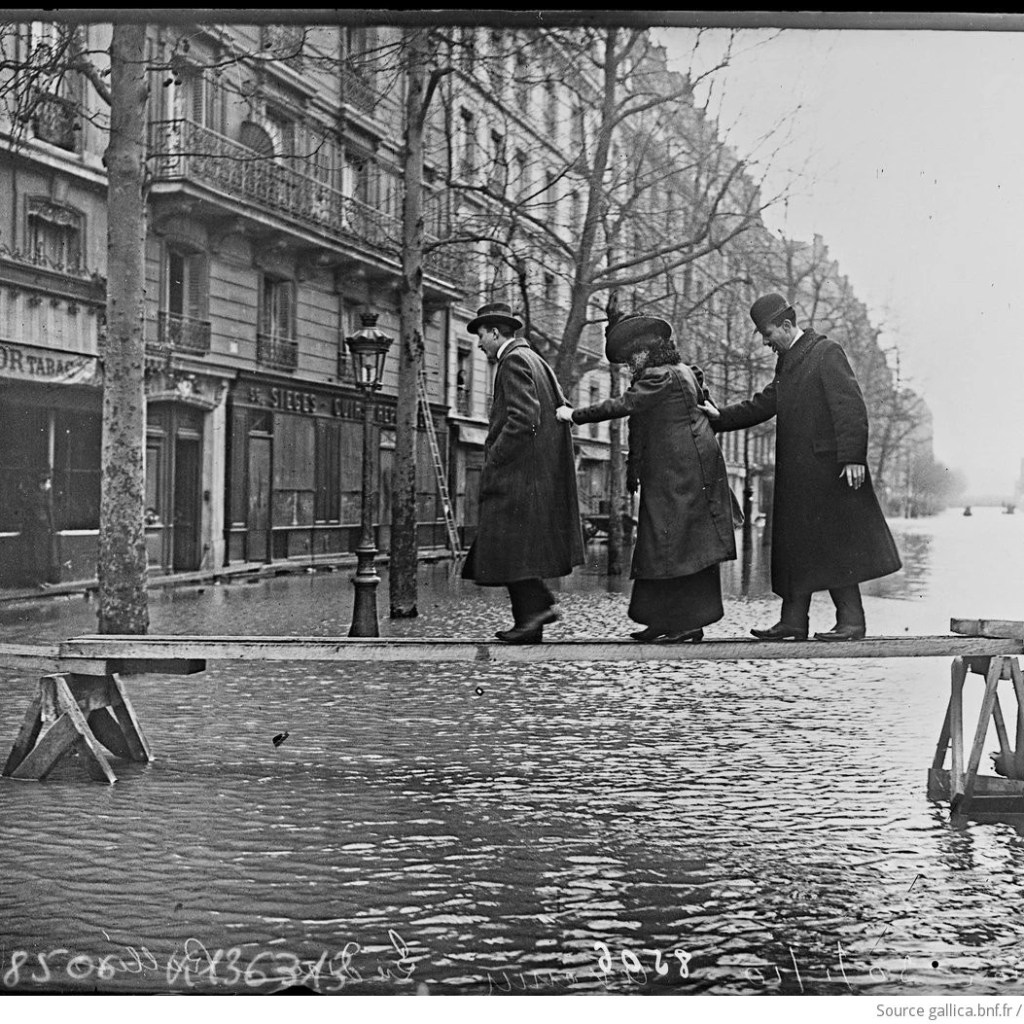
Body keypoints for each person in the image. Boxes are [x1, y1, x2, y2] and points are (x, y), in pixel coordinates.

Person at [702, 293, 901, 641]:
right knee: (799, 547)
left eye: (767, 333)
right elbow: (765, 403)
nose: (765, 342)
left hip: (829, 473)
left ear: (787, 325)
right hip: (799, 476)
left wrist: (853, 457)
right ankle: (794, 622)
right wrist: (720, 418)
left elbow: (850, 406)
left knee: (834, 545)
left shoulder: (826, 352)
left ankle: (851, 622)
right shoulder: (791, 361)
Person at [556, 312, 737, 643]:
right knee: (665, 545)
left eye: (630, 358)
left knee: (675, 547)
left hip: (680, 473)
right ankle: (664, 621)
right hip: (683, 471)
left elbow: (624, 405)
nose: (629, 365)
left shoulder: (659, 377)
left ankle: (685, 625)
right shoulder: (680, 372)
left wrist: (574, 415)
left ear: (644, 352)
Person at [461, 302, 585, 643]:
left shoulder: (512, 361)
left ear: (496, 332)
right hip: (538, 475)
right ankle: (532, 621)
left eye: (481, 335)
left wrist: (496, 458)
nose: (479, 343)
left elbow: (524, 418)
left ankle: (537, 611)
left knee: (506, 546)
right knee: (516, 549)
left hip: (518, 473)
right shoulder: (537, 361)